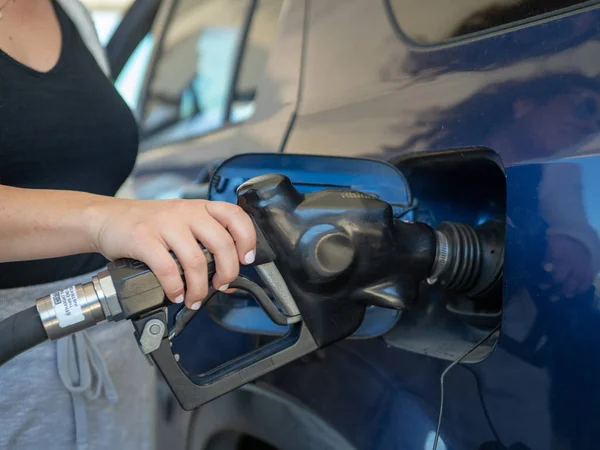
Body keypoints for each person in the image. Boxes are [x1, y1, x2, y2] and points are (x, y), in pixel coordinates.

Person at [0, 1, 257, 449]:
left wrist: (165, 242)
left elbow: (92, 177)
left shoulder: (69, 14)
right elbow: (100, 212)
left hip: (111, 355)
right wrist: (101, 218)